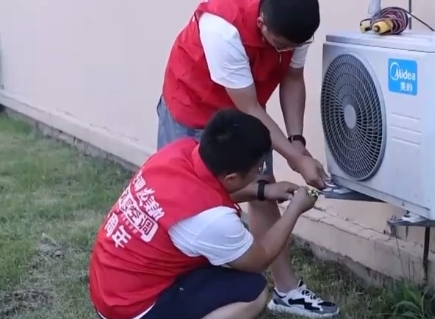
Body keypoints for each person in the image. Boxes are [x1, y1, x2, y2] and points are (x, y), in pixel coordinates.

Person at [157, 0, 338, 316]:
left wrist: (297, 141)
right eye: (279, 45)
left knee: (262, 193)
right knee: (183, 201)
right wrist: (298, 160)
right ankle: (175, 291)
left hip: (244, 113)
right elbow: (250, 108)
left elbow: (293, 79)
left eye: (292, 46)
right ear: (262, 25)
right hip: (193, 109)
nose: (285, 52)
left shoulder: (295, 24)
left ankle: (287, 291)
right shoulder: (222, 28)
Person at [89, 109, 319, 319]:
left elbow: (207, 192)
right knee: (253, 292)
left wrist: (263, 190)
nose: (261, 172)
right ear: (232, 177)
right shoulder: (213, 221)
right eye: (258, 168)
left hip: (110, 288)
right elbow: (258, 259)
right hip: (132, 309)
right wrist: (295, 209)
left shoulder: (178, 152)